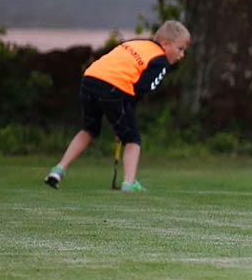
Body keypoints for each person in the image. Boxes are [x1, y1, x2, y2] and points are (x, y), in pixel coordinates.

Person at [44, 21, 191, 192]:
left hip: (89, 80)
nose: (182, 55)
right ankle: (129, 183)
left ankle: (58, 170)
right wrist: (124, 119)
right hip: (114, 88)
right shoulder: (160, 60)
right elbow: (141, 89)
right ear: (165, 43)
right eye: (180, 49)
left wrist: (119, 122)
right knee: (133, 139)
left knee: (89, 129)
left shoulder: (136, 43)